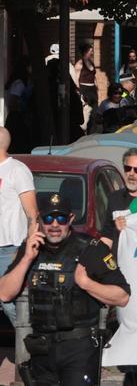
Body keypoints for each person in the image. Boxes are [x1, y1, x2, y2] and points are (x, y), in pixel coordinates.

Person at [0, 193, 130, 386]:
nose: (54, 225)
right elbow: (4, 293)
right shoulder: (31, 248)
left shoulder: (91, 248)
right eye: (48, 218)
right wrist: (27, 258)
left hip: (79, 349)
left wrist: (86, 283)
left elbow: (122, 296)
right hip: (41, 349)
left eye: (61, 218)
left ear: (70, 219)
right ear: (39, 220)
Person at [0, 127, 38, 325]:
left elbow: (32, 212)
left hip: (9, 248)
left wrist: (26, 249)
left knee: (8, 301)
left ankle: (30, 339)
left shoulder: (17, 170)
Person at [104, 147, 137, 247]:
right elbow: (107, 236)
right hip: (119, 261)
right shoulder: (115, 198)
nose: (131, 173)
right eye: (128, 168)